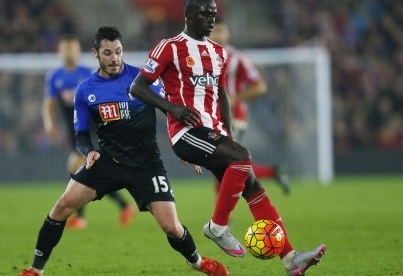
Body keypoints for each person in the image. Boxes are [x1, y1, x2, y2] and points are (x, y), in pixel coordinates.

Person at [130, 0, 326, 275]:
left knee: (253, 186)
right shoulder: (170, 47)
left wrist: (228, 139)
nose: (211, 19)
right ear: (188, 15)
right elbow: (137, 88)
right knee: (243, 158)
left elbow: (221, 95)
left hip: (213, 132)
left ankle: (291, 259)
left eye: (213, 14)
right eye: (204, 14)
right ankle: (217, 226)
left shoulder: (219, 53)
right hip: (186, 133)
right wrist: (173, 109)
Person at [20, 26, 228, 276]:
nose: (114, 58)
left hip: (147, 164)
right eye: (107, 53)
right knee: (62, 206)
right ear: (95, 53)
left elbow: (171, 110)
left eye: (118, 52)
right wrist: (88, 151)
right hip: (108, 160)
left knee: (171, 227)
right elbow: (81, 133)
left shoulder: (142, 80)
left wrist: (189, 148)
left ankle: (198, 262)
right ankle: (35, 270)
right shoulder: (86, 90)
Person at [43, 35, 136, 229]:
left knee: (78, 166)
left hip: (91, 128)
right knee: (87, 170)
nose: (70, 52)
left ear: (78, 51)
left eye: (73, 48)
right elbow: (49, 103)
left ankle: (80, 217)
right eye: (66, 48)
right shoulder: (54, 76)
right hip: (73, 129)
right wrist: (49, 124)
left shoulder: (87, 73)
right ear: (60, 52)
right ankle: (123, 206)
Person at [208, 17, 290, 195]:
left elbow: (260, 86)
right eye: (215, 30)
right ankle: (273, 172)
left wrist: (234, 98)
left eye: (222, 30)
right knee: (223, 165)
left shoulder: (238, 59)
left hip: (233, 118)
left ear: (228, 34)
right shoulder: (199, 56)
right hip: (211, 119)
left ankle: (223, 219)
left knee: (223, 164)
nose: (218, 35)